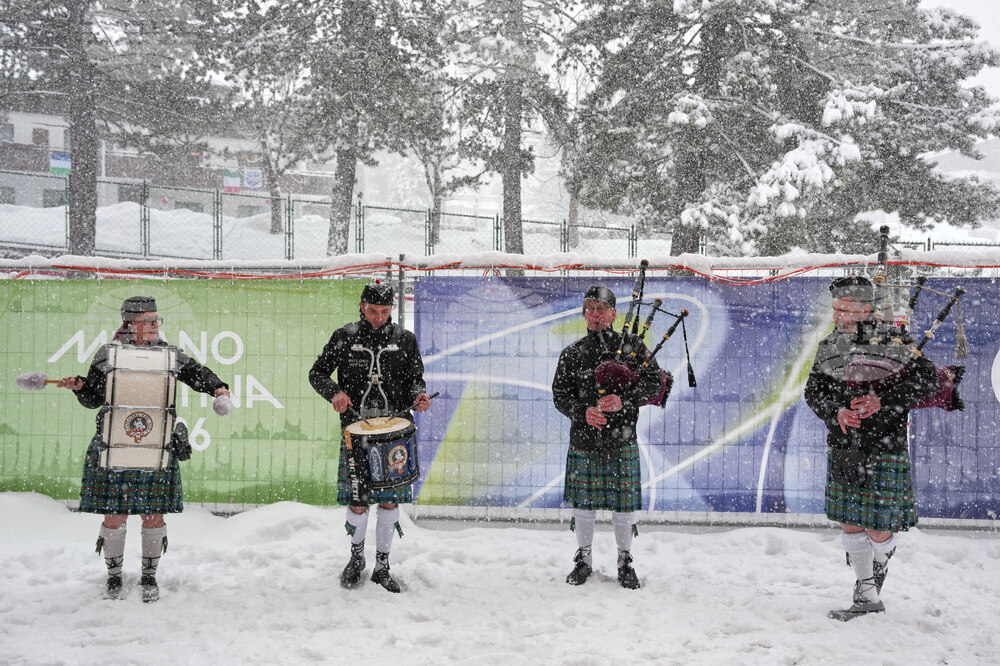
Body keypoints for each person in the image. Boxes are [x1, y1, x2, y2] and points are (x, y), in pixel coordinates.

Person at [58, 296, 230, 602]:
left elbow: (197, 374)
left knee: (153, 516)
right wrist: (81, 387)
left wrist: (218, 387)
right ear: (129, 324)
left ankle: (149, 576)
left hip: (156, 444)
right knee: (115, 516)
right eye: (148, 321)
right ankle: (114, 577)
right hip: (114, 444)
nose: (154, 326)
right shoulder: (108, 355)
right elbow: (94, 399)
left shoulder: (169, 355)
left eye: (156, 320)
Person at [805, 275, 937, 618]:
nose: (836, 315)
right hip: (845, 444)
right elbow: (812, 392)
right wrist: (836, 413)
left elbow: (927, 380)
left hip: (884, 444)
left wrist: (884, 400)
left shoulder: (896, 340)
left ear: (864, 309)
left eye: (843, 309)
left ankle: (879, 565)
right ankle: (866, 595)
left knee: (878, 527)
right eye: (834, 308)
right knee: (850, 522)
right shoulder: (829, 345)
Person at [309, 280, 432, 593]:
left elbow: (415, 378)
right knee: (359, 501)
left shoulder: (404, 339)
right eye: (373, 310)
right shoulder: (344, 337)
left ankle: (382, 564)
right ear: (361, 306)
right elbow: (317, 373)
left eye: (385, 311)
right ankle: (356, 558)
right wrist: (334, 392)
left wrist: (419, 395)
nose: (379, 317)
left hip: (395, 435)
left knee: (389, 503)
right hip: (356, 433)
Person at [551, 285, 662, 589]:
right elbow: (559, 395)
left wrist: (625, 400)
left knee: (623, 507)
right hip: (585, 440)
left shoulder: (633, 349)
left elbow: (656, 384)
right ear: (584, 314)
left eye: (601, 309)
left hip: (620, 439)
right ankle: (584, 560)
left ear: (614, 313)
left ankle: (625, 561)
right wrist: (582, 411)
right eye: (589, 309)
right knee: (584, 506)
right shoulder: (572, 353)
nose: (595, 314)